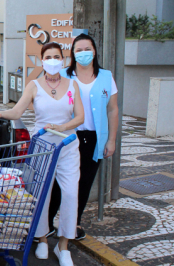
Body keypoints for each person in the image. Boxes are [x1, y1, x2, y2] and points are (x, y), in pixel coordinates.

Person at [0, 42, 84, 266]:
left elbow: (80, 118)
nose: (53, 60)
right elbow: (17, 111)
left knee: (69, 194)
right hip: (42, 146)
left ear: (64, 60)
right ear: (42, 60)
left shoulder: (73, 85)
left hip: (67, 145)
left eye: (57, 56)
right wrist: (0, 112)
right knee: (41, 193)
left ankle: (64, 245)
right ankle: (42, 238)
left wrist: (62, 126)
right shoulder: (34, 85)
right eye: (48, 56)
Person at [46, 33, 120, 241]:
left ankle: (73, 224)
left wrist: (111, 140)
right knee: (60, 182)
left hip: (94, 138)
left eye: (87, 49)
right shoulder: (63, 75)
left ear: (94, 51)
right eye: (78, 50)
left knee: (84, 182)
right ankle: (49, 222)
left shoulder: (105, 76)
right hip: (67, 136)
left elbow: (113, 110)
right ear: (73, 53)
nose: (83, 53)